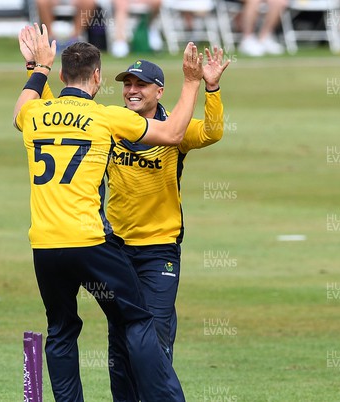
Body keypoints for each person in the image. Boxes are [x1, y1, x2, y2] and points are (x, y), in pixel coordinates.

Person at [14, 23, 204, 401]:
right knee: (137, 319)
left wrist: (38, 67)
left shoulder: (34, 115)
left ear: (63, 74)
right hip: (90, 242)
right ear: (98, 76)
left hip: (44, 246)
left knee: (61, 330)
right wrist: (191, 82)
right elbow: (173, 133)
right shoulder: (105, 117)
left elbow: (22, 107)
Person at [106, 54, 229, 401]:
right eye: (127, 84)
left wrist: (212, 87)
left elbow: (212, 131)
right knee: (120, 339)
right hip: (115, 247)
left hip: (159, 249)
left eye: (140, 85)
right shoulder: (112, 124)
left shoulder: (175, 126)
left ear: (159, 91)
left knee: (154, 336)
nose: (131, 91)